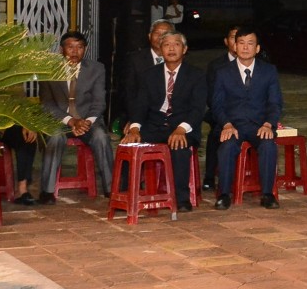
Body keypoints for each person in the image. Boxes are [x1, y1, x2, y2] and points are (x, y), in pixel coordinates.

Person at [122, 30, 205, 213]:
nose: (171, 49)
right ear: (160, 49)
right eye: (166, 45)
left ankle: (181, 199)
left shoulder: (196, 75)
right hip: (155, 126)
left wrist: (181, 129)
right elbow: (140, 105)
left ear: (184, 49)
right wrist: (134, 128)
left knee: (179, 145)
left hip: (183, 127)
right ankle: (125, 195)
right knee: (129, 143)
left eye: (176, 44)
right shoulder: (149, 75)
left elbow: (198, 109)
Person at [36, 30, 114, 204]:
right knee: (55, 137)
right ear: (61, 49)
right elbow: (47, 104)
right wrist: (71, 121)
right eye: (70, 47)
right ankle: (47, 192)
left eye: (79, 47)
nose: (74, 51)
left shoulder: (96, 69)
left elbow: (99, 102)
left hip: (88, 120)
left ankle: (111, 188)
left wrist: (86, 122)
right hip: (60, 120)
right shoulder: (48, 70)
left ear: (85, 49)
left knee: (101, 137)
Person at [212, 26, 284, 209]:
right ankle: (224, 195)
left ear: (257, 48)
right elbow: (217, 104)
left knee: (268, 145)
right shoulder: (222, 72)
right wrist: (226, 124)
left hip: (259, 125)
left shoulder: (269, 71)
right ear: (234, 46)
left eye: (250, 43)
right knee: (227, 147)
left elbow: (275, 103)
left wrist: (268, 124)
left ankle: (267, 194)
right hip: (233, 125)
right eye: (241, 43)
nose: (245, 47)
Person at [202, 25, 241, 192]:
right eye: (233, 37)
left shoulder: (255, 65)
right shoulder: (216, 65)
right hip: (221, 113)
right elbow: (211, 97)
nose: (237, 42)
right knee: (216, 132)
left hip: (244, 114)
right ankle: (210, 176)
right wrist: (226, 118)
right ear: (226, 41)